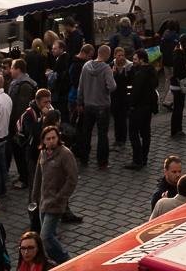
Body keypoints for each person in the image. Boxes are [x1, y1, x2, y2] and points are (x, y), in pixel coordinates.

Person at [30, 126, 78, 266]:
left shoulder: (65, 154)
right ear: (43, 141)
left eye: (54, 138)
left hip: (56, 203)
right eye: (48, 139)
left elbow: (72, 179)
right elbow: (38, 176)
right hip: (43, 202)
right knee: (49, 235)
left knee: (45, 236)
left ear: (58, 138)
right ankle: (54, 262)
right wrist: (34, 196)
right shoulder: (43, 153)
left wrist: (60, 197)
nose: (51, 141)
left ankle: (66, 260)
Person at [77, 44, 116, 168]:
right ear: (108, 55)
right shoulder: (106, 69)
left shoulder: (86, 66)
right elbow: (112, 86)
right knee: (102, 134)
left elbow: (80, 87)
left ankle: (84, 158)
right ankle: (102, 162)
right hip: (102, 106)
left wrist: (79, 102)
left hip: (88, 105)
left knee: (86, 132)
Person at [124, 49, 157, 169]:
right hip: (148, 108)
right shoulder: (151, 70)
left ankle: (137, 160)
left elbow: (135, 92)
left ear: (142, 59)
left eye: (135, 59)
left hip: (138, 108)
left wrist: (130, 104)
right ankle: (144, 157)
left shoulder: (140, 74)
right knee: (145, 133)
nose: (133, 61)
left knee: (133, 133)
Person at [168, 34, 186, 138]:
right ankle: (176, 130)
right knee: (178, 108)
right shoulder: (179, 55)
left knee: (178, 108)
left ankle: (177, 129)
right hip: (178, 85)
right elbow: (179, 71)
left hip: (177, 84)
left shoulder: (178, 52)